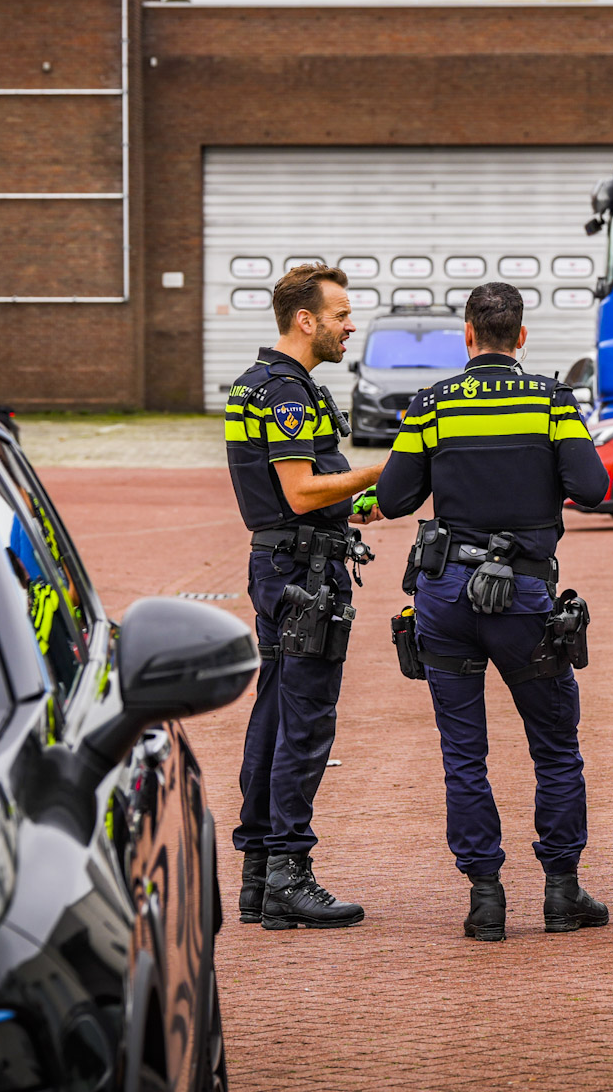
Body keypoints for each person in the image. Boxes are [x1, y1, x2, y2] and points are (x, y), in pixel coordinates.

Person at [375, 282, 611, 941]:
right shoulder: (552, 402)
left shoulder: (432, 405)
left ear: (468, 337)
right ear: (522, 337)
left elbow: (394, 499)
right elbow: (594, 488)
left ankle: (485, 898)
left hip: (445, 596)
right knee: (555, 746)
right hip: (524, 600)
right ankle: (562, 893)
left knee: (463, 752)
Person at [225, 263, 384, 931]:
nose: (351, 326)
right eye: (342, 315)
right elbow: (297, 491)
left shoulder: (258, 385)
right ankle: (291, 870)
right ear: (305, 320)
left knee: (272, 715)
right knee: (305, 722)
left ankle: (260, 875)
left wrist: (353, 499)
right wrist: (396, 464)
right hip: (303, 576)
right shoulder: (286, 392)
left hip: (282, 563)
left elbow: (306, 491)